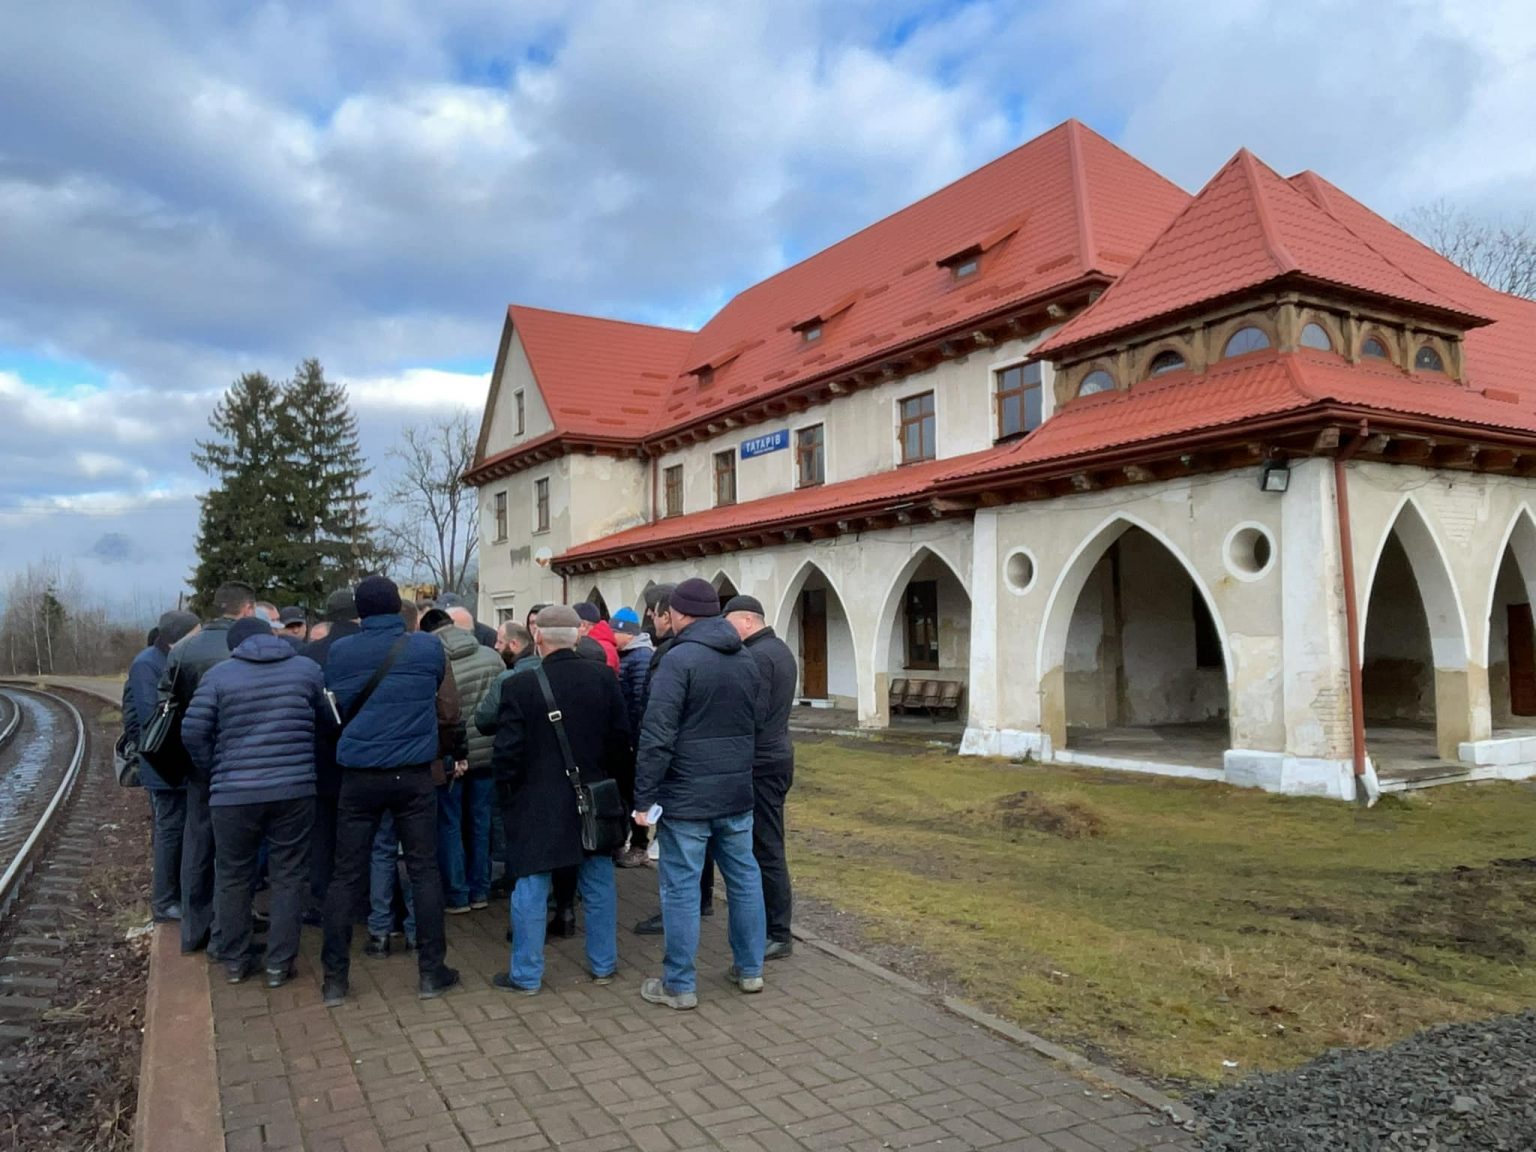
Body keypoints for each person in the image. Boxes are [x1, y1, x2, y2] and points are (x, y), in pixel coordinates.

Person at [320, 576, 464, 1006]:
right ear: (399, 609)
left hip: (359, 776)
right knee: (423, 869)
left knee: (346, 875)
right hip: (414, 774)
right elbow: (441, 697)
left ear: (360, 613)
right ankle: (431, 972)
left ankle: (335, 980)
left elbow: (334, 703)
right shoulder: (425, 648)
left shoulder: (341, 651)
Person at [632, 578, 766, 1009]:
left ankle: (679, 984)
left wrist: (643, 798)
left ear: (681, 614)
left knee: (682, 888)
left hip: (687, 795)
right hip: (735, 792)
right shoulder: (746, 657)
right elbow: (756, 722)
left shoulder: (678, 660)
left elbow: (657, 734)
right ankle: (750, 970)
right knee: (745, 880)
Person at [181, 617, 329, 988]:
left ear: (235, 647)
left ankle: (235, 959)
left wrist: (214, 766)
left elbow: (193, 731)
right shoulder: (307, 669)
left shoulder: (218, 676)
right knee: (290, 875)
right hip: (294, 790)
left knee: (232, 875)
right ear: (272, 637)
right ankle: (280, 964)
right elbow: (326, 721)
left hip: (233, 795)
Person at [490, 606, 630, 993]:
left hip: (537, 803)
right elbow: (621, 742)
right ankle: (603, 964)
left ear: (538, 639)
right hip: (594, 799)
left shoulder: (519, 686)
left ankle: (526, 974)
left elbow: (507, 754)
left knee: (532, 887)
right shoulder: (604, 678)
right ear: (578, 637)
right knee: (598, 882)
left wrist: (507, 795)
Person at [151, 582, 257, 957]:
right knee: (239, 851)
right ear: (247, 609)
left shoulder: (182, 651)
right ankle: (231, 929)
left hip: (199, 761)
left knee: (198, 843)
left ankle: (194, 929)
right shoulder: (248, 645)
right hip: (245, 759)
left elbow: (168, 706)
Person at [724, 595, 798, 959]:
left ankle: (778, 932)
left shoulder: (757, 656)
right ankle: (773, 926)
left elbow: (754, 713)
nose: (727, 631)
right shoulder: (779, 649)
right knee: (765, 845)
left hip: (763, 762)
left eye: (730, 623)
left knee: (767, 847)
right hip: (776, 757)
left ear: (748, 621)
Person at [125, 610, 200, 923]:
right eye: (194, 634)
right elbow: (152, 716)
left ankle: (177, 894)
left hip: (177, 762)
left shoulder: (169, 659)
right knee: (169, 830)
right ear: (177, 638)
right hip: (163, 765)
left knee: (178, 829)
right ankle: (165, 901)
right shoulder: (147, 664)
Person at [435, 608, 504, 911]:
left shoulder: (439, 662)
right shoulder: (492, 657)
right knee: (481, 822)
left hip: (454, 755)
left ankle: (457, 893)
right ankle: (480, 890)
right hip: (489, 753)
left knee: (450, 823)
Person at [300, 589, 362, 924]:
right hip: (365, 754)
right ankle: (360, 901)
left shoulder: (311, 654)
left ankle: (322, 901)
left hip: (321, 755)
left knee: (322, 832)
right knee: (362, 832)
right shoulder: (371, 649)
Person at [612, 608, 652, 869]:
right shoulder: (627, 656)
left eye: (615, 631)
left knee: (635, 793)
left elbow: (638, 701)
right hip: (627, 738)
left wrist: (633, 738)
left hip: (634, 740)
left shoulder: (640, 659)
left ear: (627, 633)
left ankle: (639, 844)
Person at [574, 602, 619, 672]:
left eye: (573, 625)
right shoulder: (601, 643)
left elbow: (604, 675)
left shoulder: (603, 648)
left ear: (583, 625)